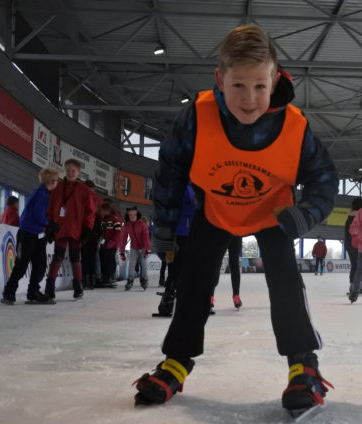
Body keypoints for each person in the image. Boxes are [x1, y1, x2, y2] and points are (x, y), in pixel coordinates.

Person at [132, 25, 339, 416]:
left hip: (273, 216)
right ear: (219, 79)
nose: (249, 99)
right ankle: (176, 361)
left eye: (260, 86)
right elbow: (170, 172)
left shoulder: (295, 126)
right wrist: (165, 226)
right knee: (193, 282)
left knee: (286, 284)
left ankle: (304, 366)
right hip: (216, 211)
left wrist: (306, 213)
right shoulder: (196, 117)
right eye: (238, 85)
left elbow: (324, 177)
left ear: (274, 80)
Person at [0, 169, 60, 305]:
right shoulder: (41, 194)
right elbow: (38, 215)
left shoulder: (45, 194)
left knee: (40, 264)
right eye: (56, 180)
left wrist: (47, 230)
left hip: (38, 235)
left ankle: (33, 291)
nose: (57, 183)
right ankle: (9, 292)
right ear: (51, 182)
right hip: (27, 235)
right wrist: (49, 225)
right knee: (22, 265)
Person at [44, 159, 96, 300]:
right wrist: (49, 225)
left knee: (75, 258)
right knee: (58, 257)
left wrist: (87, 228)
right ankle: (50, 287)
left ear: (78, 173)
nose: (70, 173)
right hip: (60, 228)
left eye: (73, 171)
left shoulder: (84, 190)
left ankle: (78, 287)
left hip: (76, 230)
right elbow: (50, 207)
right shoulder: (58, 187)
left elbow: (90, 211)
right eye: (68, 170)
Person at [155, 184, 196, 317]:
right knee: (176, 267)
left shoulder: (188, 186)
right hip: (178, 233)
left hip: (181, 233)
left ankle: (171, 298)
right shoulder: (180, 187)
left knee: (178, 267)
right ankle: (168, 299)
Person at [344, 197, 362, 294]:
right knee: (359, 265)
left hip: (349, 244)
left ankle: (353, 286)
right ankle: (358, 287)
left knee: (355, 265)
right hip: (356, 244)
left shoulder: (350, 216)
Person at [120, 207, 150, 290]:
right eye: (130, 215)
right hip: (134, 247)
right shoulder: (127, 226)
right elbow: (123, 239)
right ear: (128, 216)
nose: (132, 216)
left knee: (143, 264)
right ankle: (130, 280)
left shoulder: (142, 225)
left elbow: (146, 238)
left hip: (143, 247)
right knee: (131, 264)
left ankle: (144, 279)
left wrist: (147, 249)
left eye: (134, 215)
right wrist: (122, 251)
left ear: (137, 215)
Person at [80, 180, 102, 290]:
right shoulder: (97, 199)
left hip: (86, 229)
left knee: (84, 257)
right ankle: (92, 280)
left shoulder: (83, 196)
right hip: (95, 231)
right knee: (92, 257)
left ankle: (85, 280)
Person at [97, 202, 122, 288]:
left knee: (110, 261)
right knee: (104, 260)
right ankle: (105, 278)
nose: (100, 212)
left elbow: (118, 232)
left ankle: (109, 278)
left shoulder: (114, 219)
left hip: (112, 245)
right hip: (105, 244)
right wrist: (103, 243)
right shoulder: (104, 220)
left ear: (106, 210)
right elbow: (104, 233)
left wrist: (112, 241)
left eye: (101, 210)